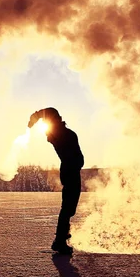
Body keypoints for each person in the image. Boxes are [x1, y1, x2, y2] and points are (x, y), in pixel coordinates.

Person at [28, 107, 84, 255]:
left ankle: (62, 237)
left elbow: (48, 112)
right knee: (68, 207)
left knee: (69, 207)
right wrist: (36, 117)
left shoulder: (59, 133)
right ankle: (60, 240)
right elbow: (50, 111)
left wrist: (35, 118)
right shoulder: (60, 133)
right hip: (70, 171)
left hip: (70, 170)